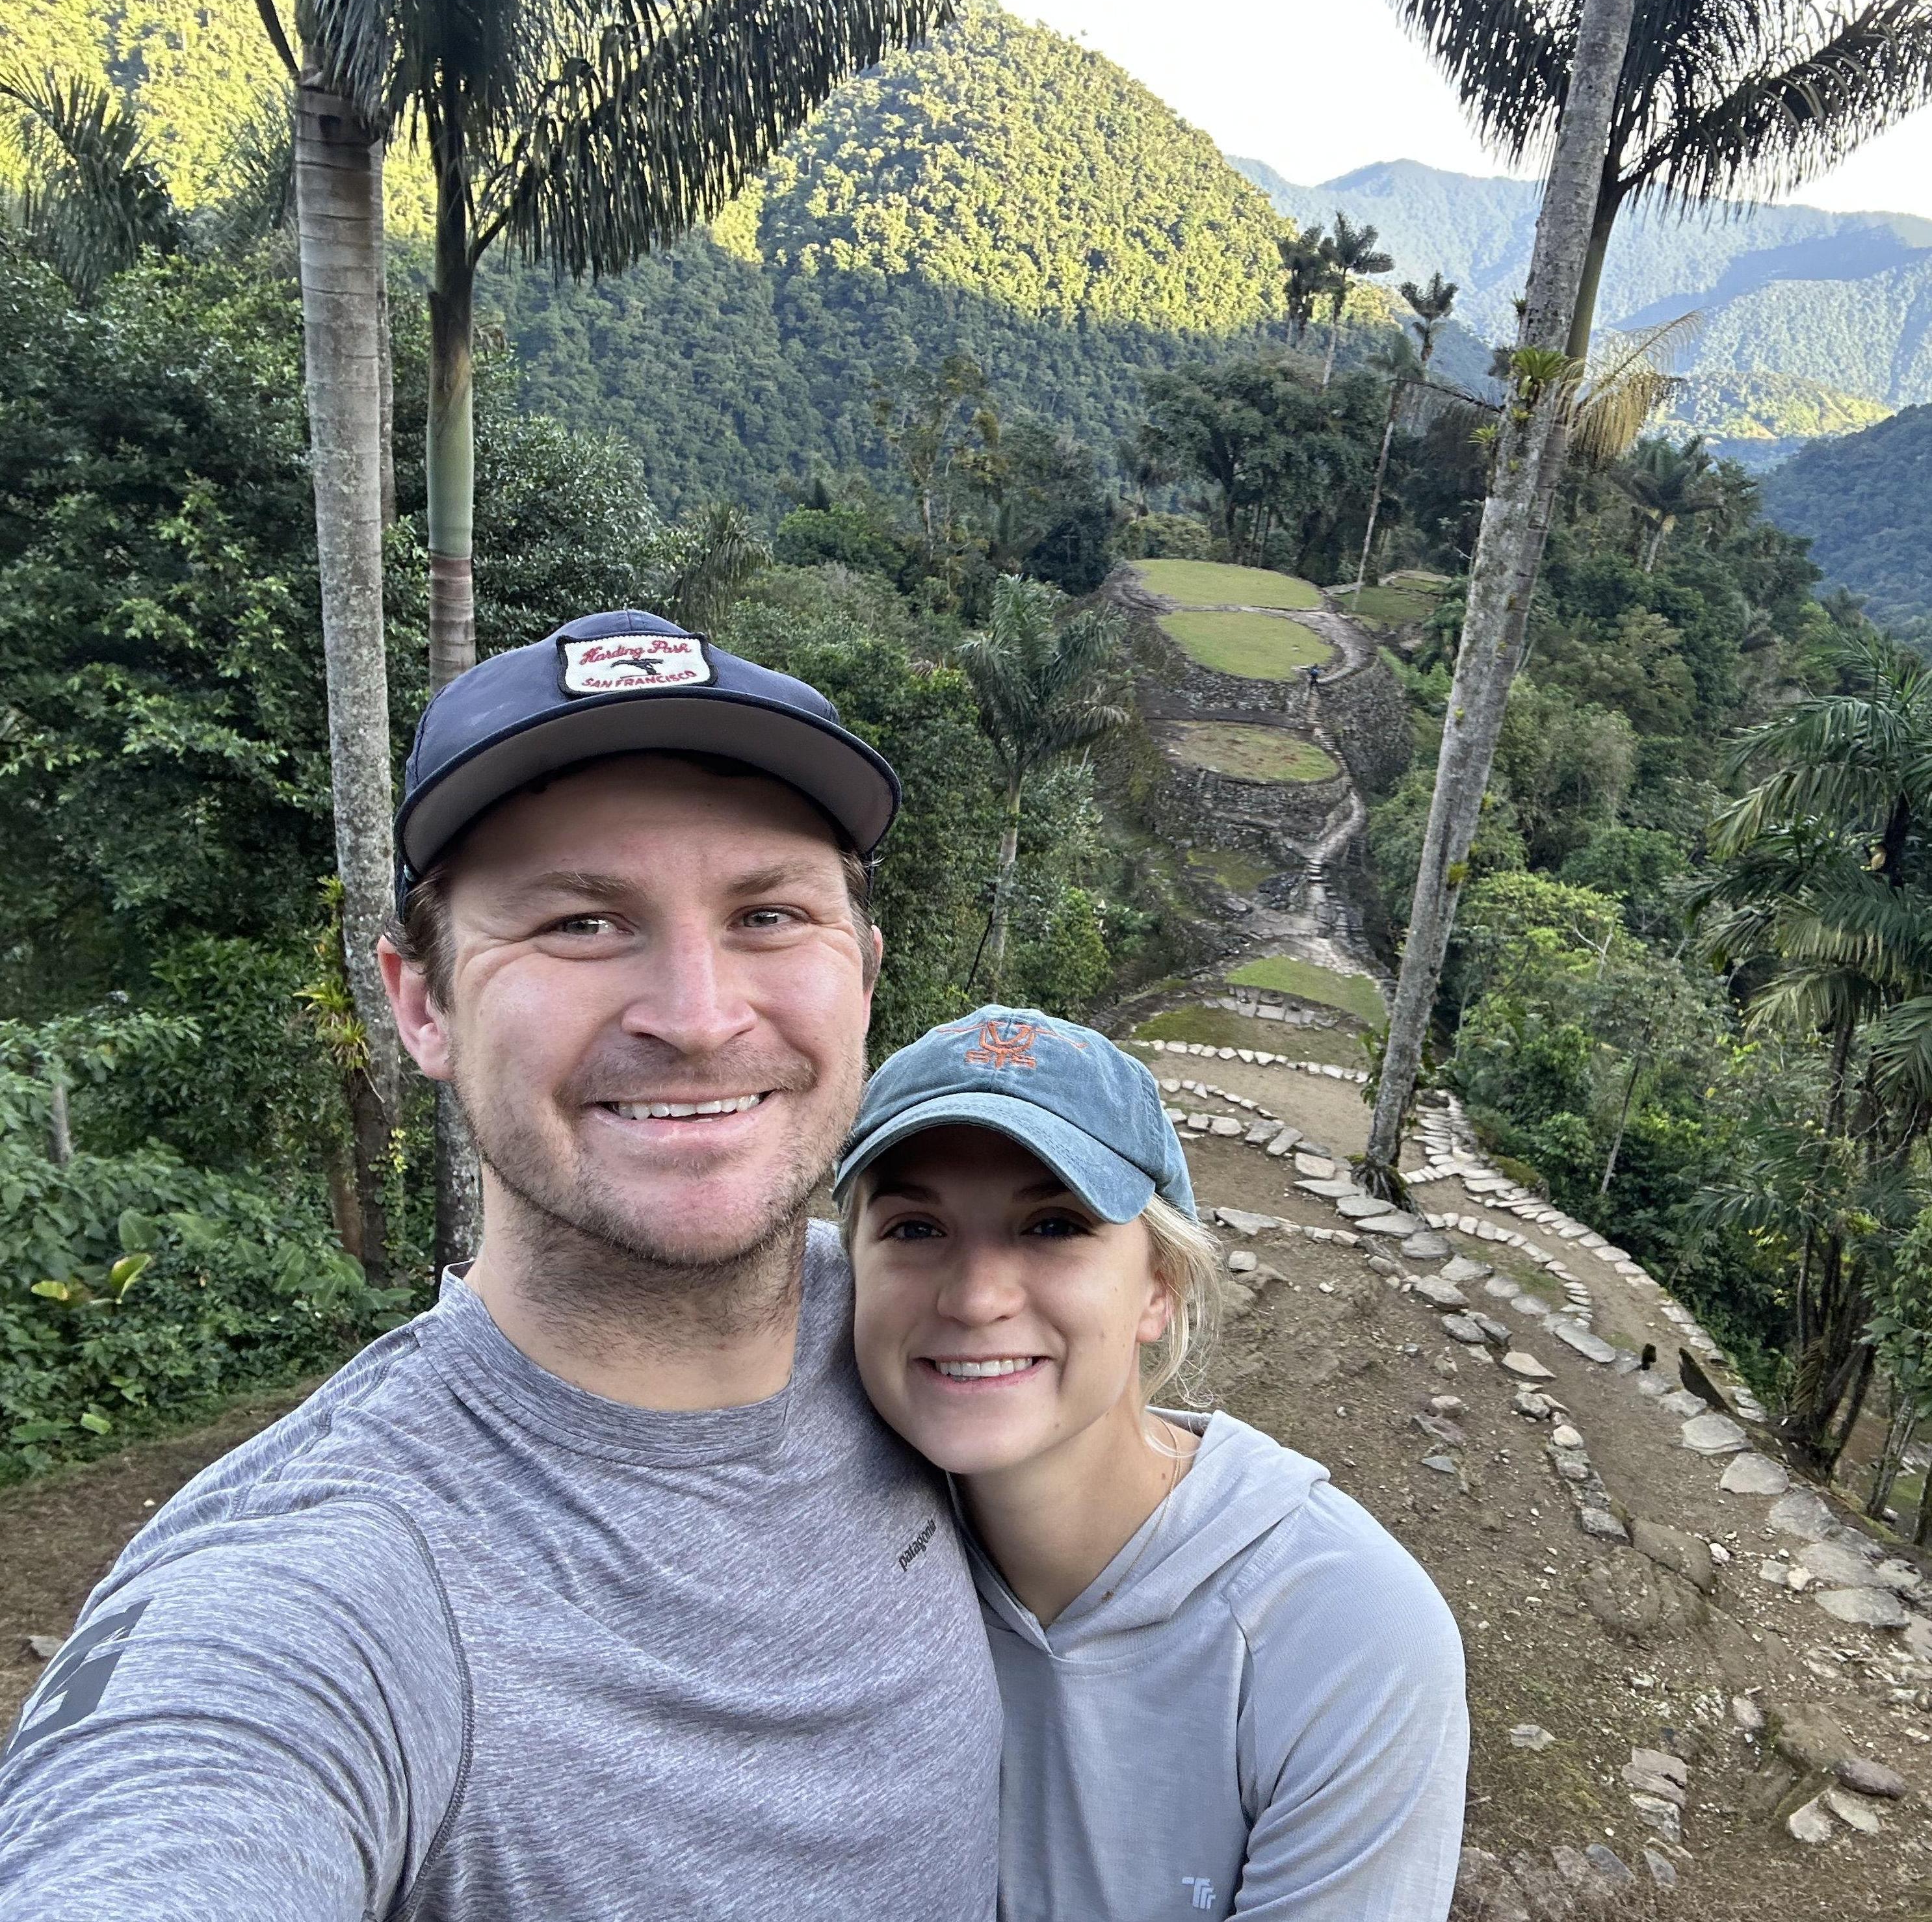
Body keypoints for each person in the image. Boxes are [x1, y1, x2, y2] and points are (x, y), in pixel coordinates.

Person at [0, 612, 1001, 1920]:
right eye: (580, 923)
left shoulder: (940, 1332)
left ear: (863, 974)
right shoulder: (318, 1587)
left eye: (768, 914)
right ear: (423, 1003)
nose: (699, 1017)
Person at [836, 1004, 1469, 1921]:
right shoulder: (828, 1545)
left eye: (1053, 1226)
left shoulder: (1344, 1632)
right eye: (914, 1230)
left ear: (1159, 1289)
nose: (975, 1299)